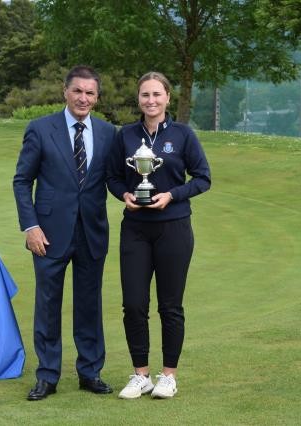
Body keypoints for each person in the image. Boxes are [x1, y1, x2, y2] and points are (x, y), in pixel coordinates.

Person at [13, 66, 116, 401]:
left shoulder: (106, 132)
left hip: (92, 233)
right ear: (65, 91)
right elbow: (22, 181)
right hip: (48, 234)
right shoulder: (41, 129)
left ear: (96, 97)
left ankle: (90, 372)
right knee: (48, 304)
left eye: (90, 93)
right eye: (78, 91)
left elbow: (113, 180)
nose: (83, 98)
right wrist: (31, 226)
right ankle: (47, 376)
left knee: (89, 305)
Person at [106, 71, 211, 399]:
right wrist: (123, 195)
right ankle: (141, 375)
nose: (150, 101)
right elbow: (112, 177)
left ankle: (168, 376)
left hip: (174, 227)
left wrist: (173, 195)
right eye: (145, 95)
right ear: (138, 99)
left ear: (167, 97)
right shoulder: (125, 135)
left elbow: (203, 178)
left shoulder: (182, 135)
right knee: (134, 304)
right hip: (135, 229)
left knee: (170, 305)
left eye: (156, 95)